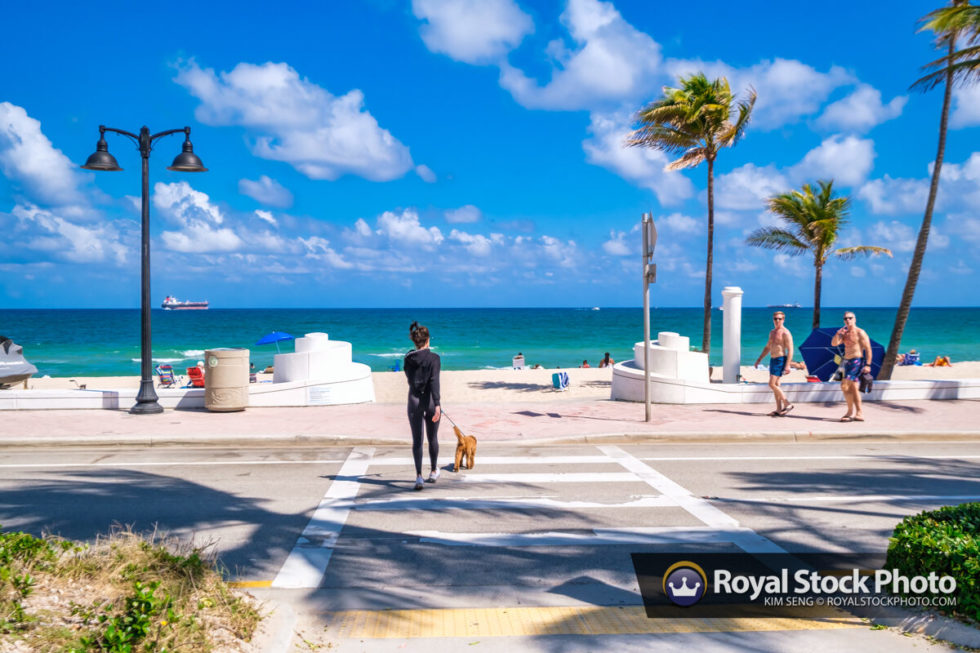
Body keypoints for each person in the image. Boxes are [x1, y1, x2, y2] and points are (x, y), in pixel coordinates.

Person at [404, 321, 441, 490]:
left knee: (417, 440)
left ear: (414, 341)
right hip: (430, 402)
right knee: (432, 437)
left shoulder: (408, 358)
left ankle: (419, 477)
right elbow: (434, 382)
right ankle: (433, 471)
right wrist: (438, 403)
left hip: (414, 399)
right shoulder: (434, 358)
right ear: (428, 341)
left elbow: (409, 379)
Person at [830, 311, 873, 422]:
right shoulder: (844, 333)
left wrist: (868, 364)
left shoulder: (860, 332)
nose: (848, 320)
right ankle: (859, 413)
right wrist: (838, 334)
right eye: (845, 318)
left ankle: (849, 412)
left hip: (856, 361)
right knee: (853, 389)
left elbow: (868, 349)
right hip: (846, 362)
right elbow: (834, 344)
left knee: (844, 386)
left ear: (855, 319)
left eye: (850, 318)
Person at [754, 311, 795, 416]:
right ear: (773, 320)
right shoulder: (772, 332)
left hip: (780, 360)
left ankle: (787, 403)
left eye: (780, 319)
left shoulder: (785, 333)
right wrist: (759, 359)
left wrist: (787, 365)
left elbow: (790, 350)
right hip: (772, 360)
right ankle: (778, 409)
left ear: (783, 320)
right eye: (775, 319)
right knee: (776, 384)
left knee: (771, 384)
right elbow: (768, 347)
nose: (777, 321)